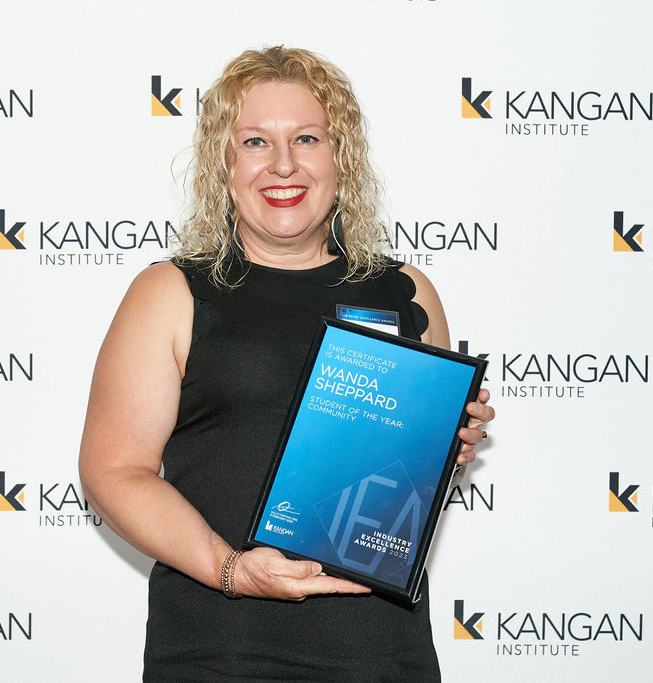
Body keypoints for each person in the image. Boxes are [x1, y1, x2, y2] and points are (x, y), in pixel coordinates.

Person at [79, 46, 494, 681]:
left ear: (341, 157)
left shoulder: (406, 292)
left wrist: (446, 445)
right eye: (254, 142)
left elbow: (404, 477)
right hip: (222, 651)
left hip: (381, 652)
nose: (282, 164)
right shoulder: (170, 292)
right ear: (224, 164)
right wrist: (232, 570)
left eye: (306, 138)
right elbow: (114, 470)